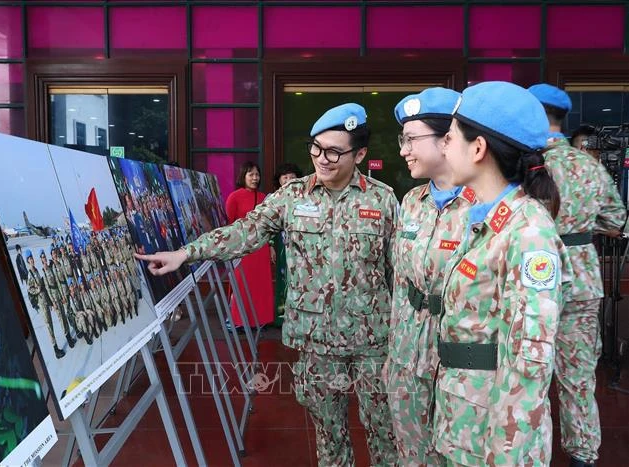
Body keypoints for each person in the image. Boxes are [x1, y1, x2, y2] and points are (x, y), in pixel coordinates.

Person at [135, 103, 399, 466]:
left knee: (384, 432)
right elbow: (245, 231)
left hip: (372, 338)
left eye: (335, 151)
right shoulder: (293, 196)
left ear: (361, 154)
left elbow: (394, 271)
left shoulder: (383, 199)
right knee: (330, 436)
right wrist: (186, 253)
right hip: (316, 337)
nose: (322, 159)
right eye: (316, 148)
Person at [438, 81, 571, 465]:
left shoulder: (528, 233)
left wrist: (507, 455)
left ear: (478, 148)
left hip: (494, 440)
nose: (443, 146)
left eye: (449, 137)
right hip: (465, 419)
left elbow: (529, 366)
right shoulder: (483, 218)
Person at [529, 83, 627, 467]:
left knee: (528, 376)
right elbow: (618, 220)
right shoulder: (589, 165)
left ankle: (529, 453)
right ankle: (582, 458)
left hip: (532, 278)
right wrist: (582, 225)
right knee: (579, 380)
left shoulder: (523, 164)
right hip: (582, 280)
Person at [383, 87, 476, 465]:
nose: (403, 149)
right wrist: (394, 355)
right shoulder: (411, 202)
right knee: (412, 455)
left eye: (411, 139)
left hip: (462, 365)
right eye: (401, 139)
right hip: (407, 358)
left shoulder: (486, 204)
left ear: (448, 139)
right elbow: (401, 284)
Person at [224, 161, 275, 330]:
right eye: (251, 174)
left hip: (261, 247)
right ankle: (237, 321)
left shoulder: (264, 198)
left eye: (257, 174)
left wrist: (271, 245)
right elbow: (230, 223)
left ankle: (260, 320)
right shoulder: (235, 196)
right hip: (242, 247)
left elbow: (269, 224)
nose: (255, 178)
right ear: (243, 176)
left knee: (260, 285)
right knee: (241, 283)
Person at [269, 162, 304, 327]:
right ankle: (282, 315)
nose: (289, 180)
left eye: (292, 177)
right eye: (285, 177)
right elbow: (266, 225)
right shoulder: (273, 198)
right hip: (282, 245)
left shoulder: (305, 196)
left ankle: (301, 316)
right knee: (283, 279)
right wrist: (270, 246)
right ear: (279, 180)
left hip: (302, 246)